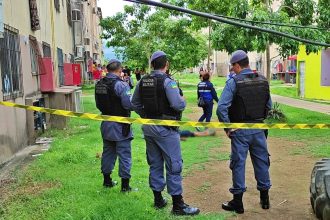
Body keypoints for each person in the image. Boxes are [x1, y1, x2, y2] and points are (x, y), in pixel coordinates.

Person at [132, 51, 200, 216]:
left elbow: (134, 103)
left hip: (149, 127)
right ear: (166, 64)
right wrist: (183, 101)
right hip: (166, 128)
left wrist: (145, 115)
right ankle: (178, 205)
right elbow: (178, 105)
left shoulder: (142, 81)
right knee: (174, 164)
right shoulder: (168, 82)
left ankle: (158, 200)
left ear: (153, 64)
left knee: (155, 163)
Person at [217, 50, 272, 214]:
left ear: (237, 65)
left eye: (232, 66)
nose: (232, 70)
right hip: (258, 129)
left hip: (240, 130)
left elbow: (221, 108)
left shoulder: (234, 82)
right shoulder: (263, 80)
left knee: (238, 164)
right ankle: (265, 200)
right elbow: (269, 106)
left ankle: (238, 203)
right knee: (262, 162)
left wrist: (228, 127)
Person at [95, 59, 135, 192]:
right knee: (124, 154)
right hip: (120, 125)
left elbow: (98, 104)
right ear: (120, 70)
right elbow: (128, 104)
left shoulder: (99, 84)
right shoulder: (121, 85)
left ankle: (107, 181)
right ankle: (125, 186)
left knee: (108, 152)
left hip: (106, 123)